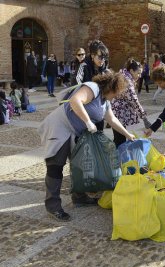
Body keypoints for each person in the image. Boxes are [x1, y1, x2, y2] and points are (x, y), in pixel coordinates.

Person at [38, 71, 135, 222]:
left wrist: (127, 134)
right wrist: (88, 121)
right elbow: (75, 101)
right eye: (116, 93)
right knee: (55, 165)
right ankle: (53, 205)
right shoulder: (93, 88)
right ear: (111, 87)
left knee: (80, 164)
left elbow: (112, 119)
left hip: (77, 132)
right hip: (60, 126)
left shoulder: (105, 101)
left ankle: (79, 197)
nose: (116, 97)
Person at [111, 58, 151, 147]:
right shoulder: (127, 82)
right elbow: (134, 101)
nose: (140, 76)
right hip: (119, 114)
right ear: (131, 71)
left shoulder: (123, 75)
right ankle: (117, 159)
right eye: (138, 73)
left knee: (118, 138)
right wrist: (144, 119)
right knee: (120, 141)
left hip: (115, 112)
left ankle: (114, 157)